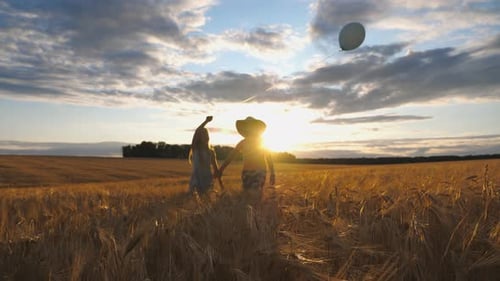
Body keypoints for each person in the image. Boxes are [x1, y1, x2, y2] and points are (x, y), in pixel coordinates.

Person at [217, 116, 275, 190]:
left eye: (252, 126)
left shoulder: (262, 142)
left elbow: (268, 157)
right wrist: (221, 169)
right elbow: (231, 156)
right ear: (246, 129)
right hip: (246, 172)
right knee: (247, 194)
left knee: (256, 193)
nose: (250, 128)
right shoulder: (243, 143)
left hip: (260, 171)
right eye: (248, 127)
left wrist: (272, 173)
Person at [188, 116, 219, 194]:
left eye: (206, 134)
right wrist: (206, 121)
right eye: (202, 134)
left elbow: (216, 169)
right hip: (196, 181)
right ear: (198, 137)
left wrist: (219, 181)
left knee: (206, 201)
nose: (205, 136)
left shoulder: (210, 151)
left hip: (207, 180)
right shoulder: (195, 150)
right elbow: (197, 130)